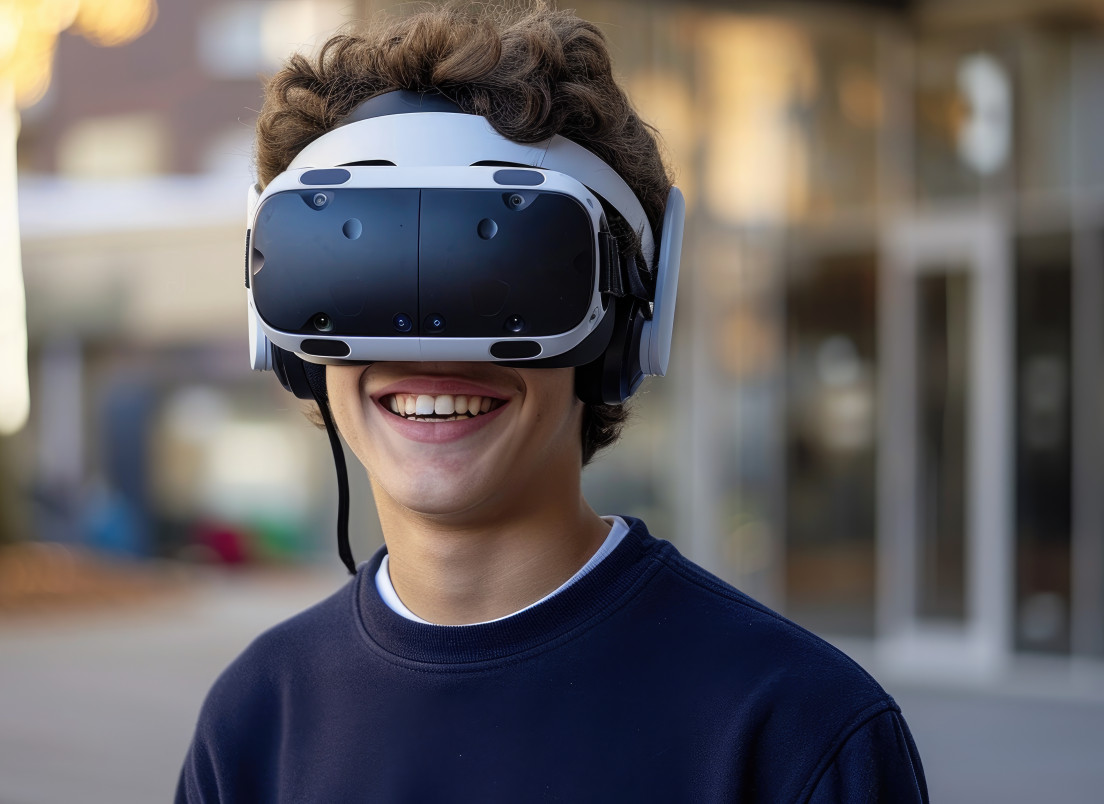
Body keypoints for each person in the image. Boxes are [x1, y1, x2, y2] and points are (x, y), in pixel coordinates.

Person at [176, 4, 928, 802]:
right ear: (290, 345)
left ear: (630, 324)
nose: (435, 351)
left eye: (502, 277)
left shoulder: (795, 733)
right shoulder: (256, 723)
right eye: (362, 275)